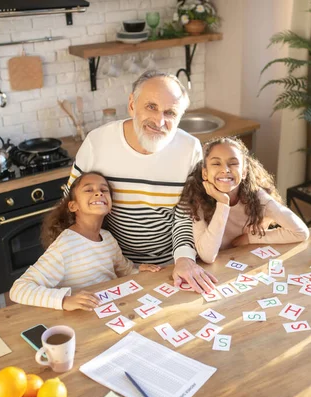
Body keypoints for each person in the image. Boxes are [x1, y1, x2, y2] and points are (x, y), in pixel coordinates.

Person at [66, 70, 217, 293]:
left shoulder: (190, 148)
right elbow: (72, 207)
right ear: (131, 105)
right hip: (110, 267)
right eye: (151, 107)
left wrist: (185, 258)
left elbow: (186, 213)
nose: (159, 120)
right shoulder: (97, 142)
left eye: (170, 112)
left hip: (170, 265)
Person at [10, 172, 160, 311]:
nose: (98, 193)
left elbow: (123, 269)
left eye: (104, 190)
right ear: (73, 206)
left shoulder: (108, 238)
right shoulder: (65, 246)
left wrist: (138, 270)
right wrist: (64, 301)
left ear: (110, 206)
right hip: (83, 317)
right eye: (89, 190)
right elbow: (19, 289)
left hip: (109, 309)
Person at [179, 137, 310, 263]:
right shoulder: (197, 199)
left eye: (233, 163)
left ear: (244, 172)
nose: (225, 170)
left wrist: (250, 238)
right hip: (212, 269)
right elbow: (207, 256)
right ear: (205, 173)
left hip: (244, 260)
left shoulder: (257, 196)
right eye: (216, 163)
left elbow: (300, 232)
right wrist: (222, 204)